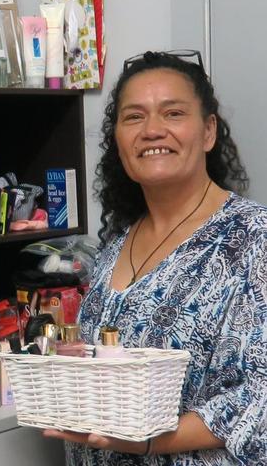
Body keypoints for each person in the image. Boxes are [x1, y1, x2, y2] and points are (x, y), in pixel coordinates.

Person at [43, 50, 267, 465]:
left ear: (208, 132)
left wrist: (146, 442)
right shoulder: (114, 249)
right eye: (133, 117)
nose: (152, 130)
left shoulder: (254, 239)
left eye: (173, 113)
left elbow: (261, 400)